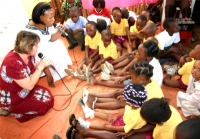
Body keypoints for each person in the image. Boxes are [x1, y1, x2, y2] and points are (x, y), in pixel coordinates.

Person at [0, 31, 54, 122]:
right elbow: (29, 85)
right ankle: (13, 110)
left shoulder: (28, 55)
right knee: (44, 105)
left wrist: (45, 69)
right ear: (28, 47)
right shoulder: (12, 63)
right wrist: (41, 67)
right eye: (36, 45)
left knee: (48, 96)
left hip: (23, 90)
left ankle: (20, 109)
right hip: (13, 98)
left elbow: (32, 70)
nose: (38, 47)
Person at [80, 61, 163, 111]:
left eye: (132, 77)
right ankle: (93, 96)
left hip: (145, 109)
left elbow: (142, 105)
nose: (131, 79)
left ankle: (94, 105)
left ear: (140, 79)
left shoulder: (148, 92)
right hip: (141, 101)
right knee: (117, 92)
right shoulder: (145, 80)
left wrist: (125, 97)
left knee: (121, 102)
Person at [24, 2, 72, 87]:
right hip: (37, 53)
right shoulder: (32, 34)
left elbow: (51, 38)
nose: (54, 20)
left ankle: (64, 68)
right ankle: (54, 74)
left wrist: (59, 32)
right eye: (51, 18)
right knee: (54, 56)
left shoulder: (45, 23)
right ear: (41, 18)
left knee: (60, 44)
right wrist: (49, 75)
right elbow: (38, 56)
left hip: (44, 46)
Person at [77, 84, 149, 135]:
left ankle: (87, 125)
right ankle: (90, 113)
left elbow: (125, 128)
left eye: (126, 99)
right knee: (109, 116)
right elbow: (125, 110)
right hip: (125, 118)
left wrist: (112, 128)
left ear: (132, 103)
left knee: (105, 126)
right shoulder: (135, 105)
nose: (125, 100)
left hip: (125, 125)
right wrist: (116, 115)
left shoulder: (137, 117)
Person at [99, 41, 163, 87]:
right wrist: (125, 77)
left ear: (147, 57)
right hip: (142, 80)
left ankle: (98, 81)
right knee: (124, 79)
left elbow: (141, 81)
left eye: (139, 54)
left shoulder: (150, 68)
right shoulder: (147, 60)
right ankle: (111, 77)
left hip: (146, 87)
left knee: (124, 83)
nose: (136, 53)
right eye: (137, 51)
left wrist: (125, 78)